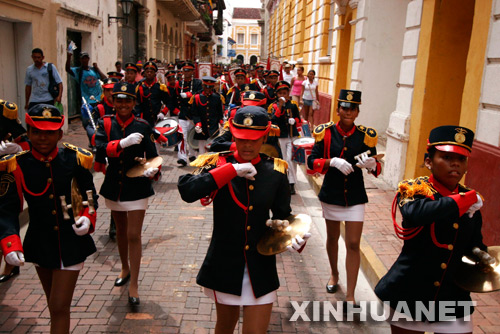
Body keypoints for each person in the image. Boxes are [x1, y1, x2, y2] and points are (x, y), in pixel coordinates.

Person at [178, 106, 310, 334]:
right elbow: (187, 190)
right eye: (241, 139)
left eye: (254, 139)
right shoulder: (218, 163)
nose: (247, 145)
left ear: (265, 136)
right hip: (225, 264)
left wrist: (294, 237)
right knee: (225, 328)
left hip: (261, 266)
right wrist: (231, 170)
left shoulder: (276, 171)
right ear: (233, 135)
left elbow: (282, 217)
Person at [374, 125, 489, 334]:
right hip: (410, 293)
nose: (455, 163)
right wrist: (465, 199)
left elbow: (474, 244)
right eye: (446, 157)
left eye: (461, 159)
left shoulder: (472, 202)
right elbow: (416, 213)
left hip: (453, 297)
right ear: (429, 161)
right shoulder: (411, 189)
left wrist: (483, 258)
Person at [0, 104, 98, 333]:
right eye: (36, 132)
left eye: (49, 132)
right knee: (54, 307)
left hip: (71, 241)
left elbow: (89, 196)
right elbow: (6, 209)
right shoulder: (17, 164)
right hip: (40, 242)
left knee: (59, 306)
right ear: (29, 132)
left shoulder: (75, 159)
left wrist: (87, 217)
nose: (42, 138)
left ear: (60, 134)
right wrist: (10, 241)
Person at [306, 89, 381, 308]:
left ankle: (350, 294)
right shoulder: (326, 133)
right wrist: (331, 162)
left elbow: (376, 168)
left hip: (356, 195)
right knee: (332, 238)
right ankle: (334, 274)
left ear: (358, 112)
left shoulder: (366, 135)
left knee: (354, 243)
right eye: (344, 108)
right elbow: (311, 161)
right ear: (338, 110)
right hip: (332, 193)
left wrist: (373, 165)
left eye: (353, 108)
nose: (348, 112)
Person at [94, 82, 160, 306]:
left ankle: (135, 285)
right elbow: (99, 148)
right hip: (114, 184)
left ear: (134, 102)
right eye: (119, 100)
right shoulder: (105, 123)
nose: (123, 104)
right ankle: (124, 268)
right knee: (120, 231)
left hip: (137, 186)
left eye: (127, 100)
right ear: (113, 102)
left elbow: (152, 155)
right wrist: (121, 143)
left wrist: (152, 170)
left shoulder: (142, 125)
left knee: (134, 234)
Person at [0, 100, 30, 283]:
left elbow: (26, 140)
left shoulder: (5, 110)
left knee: (6, 214)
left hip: (5, 176)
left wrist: (19, 149)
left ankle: (9, 264)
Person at [269, 81, 301, 194]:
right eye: (280, 93)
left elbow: (299, 119)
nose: (283, 95)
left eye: (285, 93)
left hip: (292, 135)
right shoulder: (274, 105)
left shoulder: (293, 105)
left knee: (291, 159)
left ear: (288, 93)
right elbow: (274, 119)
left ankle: (292, 183)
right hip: (282, 135)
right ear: (277, 94)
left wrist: (294, 121)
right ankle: (285, 180)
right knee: (284, 159)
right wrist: (280, 106)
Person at [176, 62, 202, 167]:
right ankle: (182, 158)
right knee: (182, 137)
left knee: (192, 137)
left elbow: (200, 93)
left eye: (189, 70)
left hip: (193, 114)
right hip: (183, 114)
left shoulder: (197, 83)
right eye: (185, 70)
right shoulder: (179, 84)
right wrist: (176, 111)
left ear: (192, 72)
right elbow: (174, 99)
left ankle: (191, 155)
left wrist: (188, 94)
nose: (186, 73)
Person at [191, 76, 224, 155]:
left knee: (212, 149)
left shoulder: (217, 97)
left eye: (210, 87)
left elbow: (219, 112)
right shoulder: (196, 97)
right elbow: (195, 113)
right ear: (203, 86)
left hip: (213, 127)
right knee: (202, 150)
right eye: (206, 87)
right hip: (202, 128)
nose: (208, 89)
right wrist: (198, 123)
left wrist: (221, 122)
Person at [135, 61, 169, 127]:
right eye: (147, 72)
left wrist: (163, 112)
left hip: (157, 119)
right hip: (143, 119)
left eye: (151, 72)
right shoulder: (140, 88)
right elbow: (137, 104)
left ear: (155, 74)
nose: (149, 73)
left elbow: (169, 102)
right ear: (144, 74)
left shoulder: (160, 87)